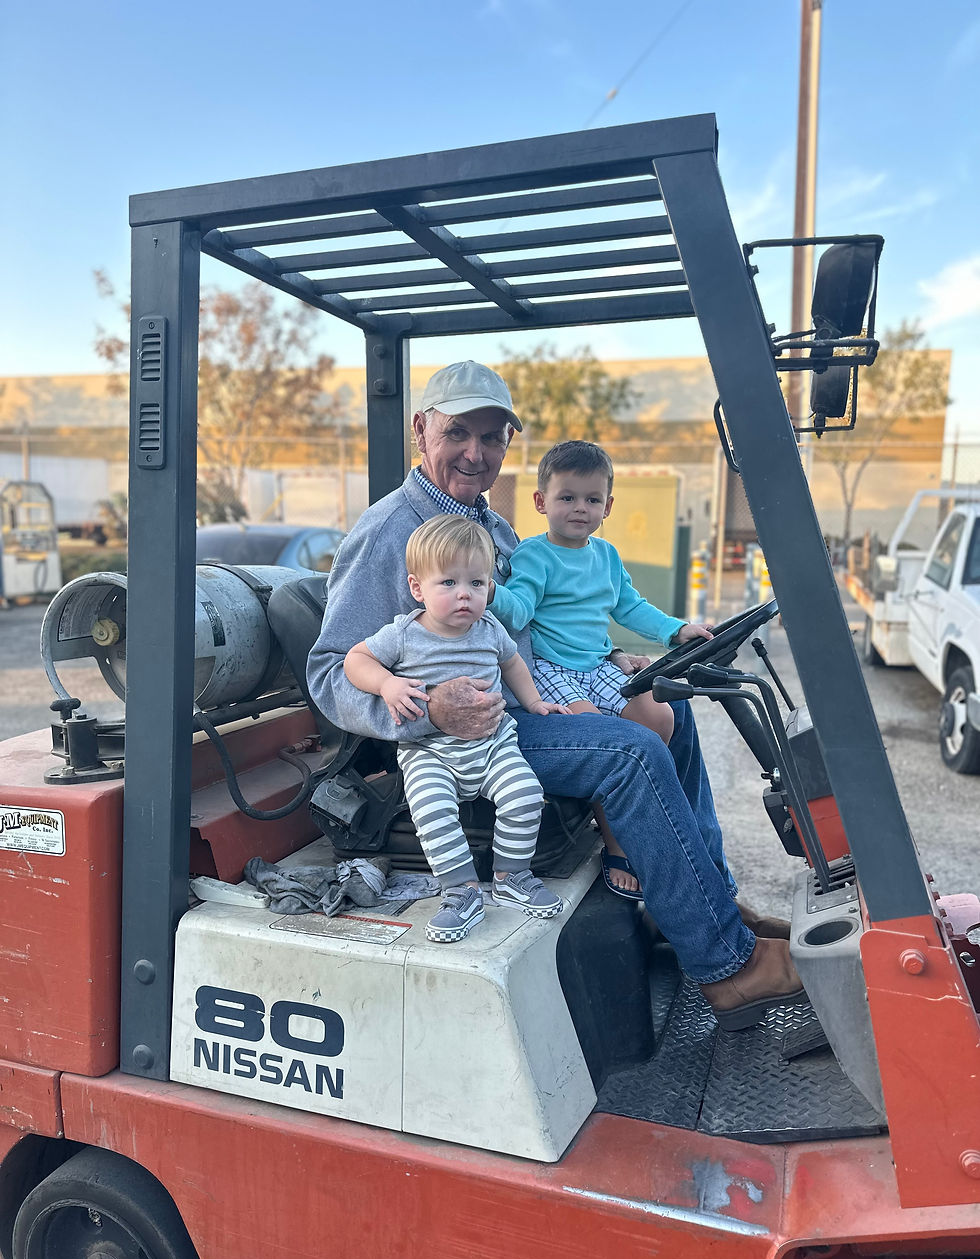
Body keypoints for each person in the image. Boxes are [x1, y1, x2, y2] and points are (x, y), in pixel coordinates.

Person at [308, 360, 803, 1032]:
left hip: (533, 703)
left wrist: (613, 655)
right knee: (629, 754)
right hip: (465, 739)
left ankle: (701, 898)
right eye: (459, 433)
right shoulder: (391, 532)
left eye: (492, 437)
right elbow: (332, 669)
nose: (476, 453)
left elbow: (535, 626)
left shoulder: (497, 529)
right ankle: (727, 966)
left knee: (673, 713)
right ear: (421, 431)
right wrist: (429, 708)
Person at [488, 439, 711, 901]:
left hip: (596, 664)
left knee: (659, 716)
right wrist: (488, 592)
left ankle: (662, 831)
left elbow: (631, 607)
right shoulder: (534, 556)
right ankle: (615, 842)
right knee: (601, 735)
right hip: (553, 669)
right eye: (566, 498)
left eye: (591, 500)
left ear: (608, 506)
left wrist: (677, 631)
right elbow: (518, 610)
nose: (579, 509)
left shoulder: (606, 557)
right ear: (540, 502)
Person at [343, 515, 568, 943]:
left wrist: (535, 703)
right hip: (429, 750)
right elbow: (356, 660)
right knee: (431, 811)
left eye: (477, 584)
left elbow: (512, 663)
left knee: (525, 794)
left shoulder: (490, 629)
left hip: (491, 744)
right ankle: (461, 890)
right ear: (417, 588)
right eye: (448, 583)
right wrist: (387, 683)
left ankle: (512, 875)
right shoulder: (404, 634)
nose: (464, 594)